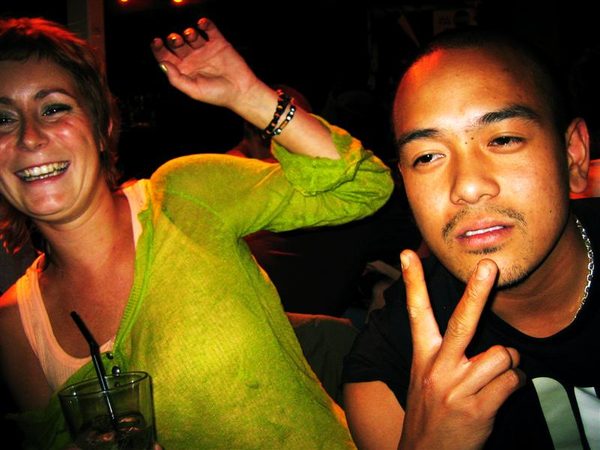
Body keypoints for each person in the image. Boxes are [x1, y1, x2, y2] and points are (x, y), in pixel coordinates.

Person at [0, 16, 394, 450]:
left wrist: (249, 95)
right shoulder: (15, 324)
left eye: (53, 108)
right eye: (2, 119)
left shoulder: (183, 194)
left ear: (102, 126)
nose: (30, 137)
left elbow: (363, 187)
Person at [342, 26, 599, 449]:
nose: (468, 186)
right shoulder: (390, 376)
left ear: (573, 154)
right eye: (428, 156)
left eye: (503, 139)